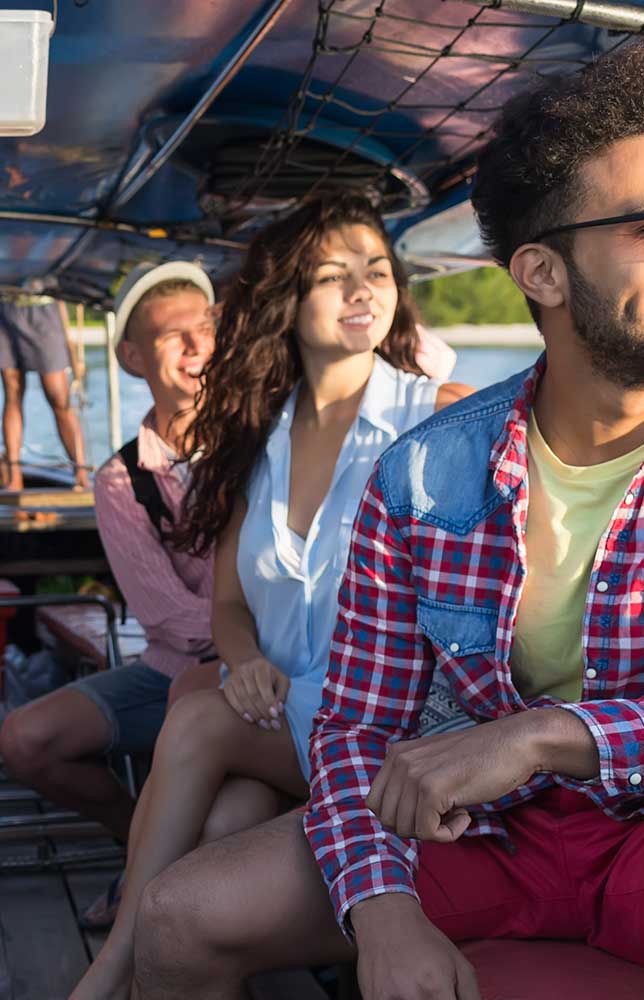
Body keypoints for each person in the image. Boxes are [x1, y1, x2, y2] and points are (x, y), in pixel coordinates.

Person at [128, 38, 644, 1000]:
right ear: (543, 273)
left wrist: (554, 734)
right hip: (494, 837)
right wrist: (381, 916)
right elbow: (353, 730)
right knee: (183, 916)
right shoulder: (425, 472)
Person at [70, 192, 472, 1000]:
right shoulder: (259, 438)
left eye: (377, 271)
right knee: (215, 824)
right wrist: (245, 658)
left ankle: (109, 970)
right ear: (286, 302)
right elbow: (227, 608)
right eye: (333, 275)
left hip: (387, 735)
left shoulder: (441, 420)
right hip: (279, 717)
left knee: (195, 720)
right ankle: (142, 964)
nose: (364, 290)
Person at [0, 263, 223, 922]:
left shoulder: (267, 443)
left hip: (270, 671)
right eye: (171, 335)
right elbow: (171, 620)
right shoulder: (121, 479)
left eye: (205, 330)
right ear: (131, 358)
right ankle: (145, 850)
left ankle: (157, 871)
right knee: (24, 739)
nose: (196, 347)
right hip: (172, 672)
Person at [0, 294, 88, 490]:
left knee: (59, 399)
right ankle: (14, 477)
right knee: (12, 393)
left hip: (44, 308)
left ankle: (81, 472)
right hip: (6, 306)